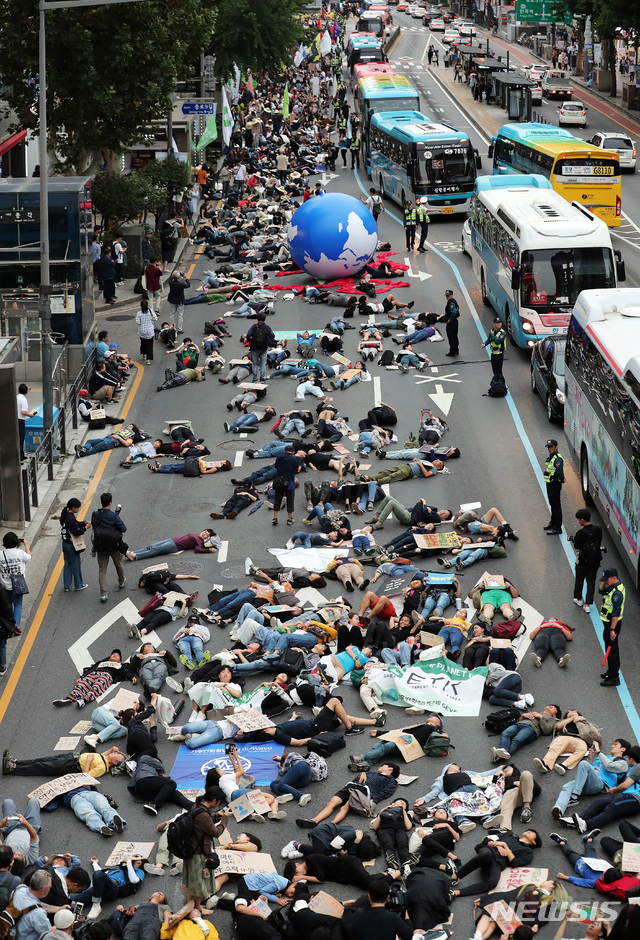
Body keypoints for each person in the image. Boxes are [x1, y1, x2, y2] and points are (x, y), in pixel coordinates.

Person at [553, 738, 632, 823]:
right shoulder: (605, 757)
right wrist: (590, 758)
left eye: (615, 744)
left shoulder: (624, 764)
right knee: (567, 786)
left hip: (600, 784)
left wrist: (598, 752)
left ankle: (575, 796)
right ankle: (559, 809)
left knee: (584, 764)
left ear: (623, 749)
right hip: (588, 781)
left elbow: (609, 766)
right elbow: (590, 769)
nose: (612, 746)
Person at [450, 829, 542, 897]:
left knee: (493, 883)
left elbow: (515, 863)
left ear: (534, 842)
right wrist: (498, 845)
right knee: (486, 854)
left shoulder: (528, 851)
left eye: (533, 832)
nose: (529, 831)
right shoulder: (509, 835)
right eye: (528, 830)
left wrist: (505, 846)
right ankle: (456, 876)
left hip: (498, 863)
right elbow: (485, 840)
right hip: (489, 851)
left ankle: (456, 893)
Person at [91, 492, 127, 603]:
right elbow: (123, 529)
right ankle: (121, 581)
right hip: (114, 546)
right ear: (110, 503)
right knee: (118, 563)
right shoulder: (114, 516)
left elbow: (94, 527)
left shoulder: (96, 514)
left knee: (102, 570)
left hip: (101, 546)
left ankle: (103, 594)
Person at [596, 566, 625, 688]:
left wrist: (612, 630)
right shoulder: (613, 588)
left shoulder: (617, 593)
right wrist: (604, 581)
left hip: (612, 625)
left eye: (607, 579)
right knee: (610, 648)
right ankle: (610, 671)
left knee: (612, 650)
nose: (605, 581)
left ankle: (614, 677)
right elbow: (601, 591)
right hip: (609, 624)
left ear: (614, 578)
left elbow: (616, 613)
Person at [572, 508, 603, 614]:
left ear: (582, 519)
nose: (578, 521)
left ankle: (579, 599)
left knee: (580, 579)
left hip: (583, 561)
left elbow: (577, 548)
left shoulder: (580, 533)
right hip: (595, 561)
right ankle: (587, 604)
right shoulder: (598, 529)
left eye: (578, 519)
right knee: (591, 581)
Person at [0, 531, 31, 629]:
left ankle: (9, 624)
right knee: (18, 605)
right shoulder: (20, 553)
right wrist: (25, 544)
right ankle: (15, 626)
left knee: (8, 605)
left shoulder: (0, 554)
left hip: (5, 584)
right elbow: (29, 557)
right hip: (18, 584)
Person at [60, 498, 90, 592]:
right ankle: (78, 585)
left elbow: (76, 524)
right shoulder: (71, 517)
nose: (78, 509)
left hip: (65, 543)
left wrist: (83, 523)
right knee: (76, 565)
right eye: (77, 507)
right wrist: (85, 527)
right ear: (73, 507)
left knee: (67, 564)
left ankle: (67, 585)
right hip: (72, 545)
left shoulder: (65, 516)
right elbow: (76, 532)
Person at [13, 869, 53, 940]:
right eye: (49, 887)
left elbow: (36, 905)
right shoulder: (39, 914)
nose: (50, 888)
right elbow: (48, 934)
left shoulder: (19, 889)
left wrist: (59, 908)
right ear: (43, 889)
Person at [544, 438, 565, 535]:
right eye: (548, 447)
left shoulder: (557, 459)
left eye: (551, 447)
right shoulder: (552, 457)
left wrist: (562, 479)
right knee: (552, 504)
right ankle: (552, 523)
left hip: (554, 484)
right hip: (550, 483)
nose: (549, 448)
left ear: (556, 447)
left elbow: (560, 472)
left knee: (556, 506)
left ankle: (557, 528)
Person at [247, 313, 275, 382]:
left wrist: (250, 340)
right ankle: (262, 378)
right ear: (264, 319)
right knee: (263, 364)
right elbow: (272, 336)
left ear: (257, 319)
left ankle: (254, 378)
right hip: (263, 348)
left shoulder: (254, 327)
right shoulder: (267, 327)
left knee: (255, 364)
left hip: (254, 348)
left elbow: (248, 335)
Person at [16, 383, 36, 461]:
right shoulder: (24, 400)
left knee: (18, 438)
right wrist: (30, 415)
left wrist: (26, 390)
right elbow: (23, 412)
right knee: (21, 438)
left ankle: (21, 454)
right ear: (26, 392)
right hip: (21, 420)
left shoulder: (17, 397)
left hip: (16, 419)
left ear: (18, 391)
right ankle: (20, 456)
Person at [439, 289, 459, 357]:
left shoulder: (451, 303)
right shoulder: (453, 301)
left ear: (452, 295)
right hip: (455, 321)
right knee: (455, 336)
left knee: (451, 337)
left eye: (448, 295)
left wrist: (449, 319)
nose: (447, 297)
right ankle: (456, 350)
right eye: (446, 295)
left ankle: (452, 351)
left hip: (452, 322)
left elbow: (454, 312)